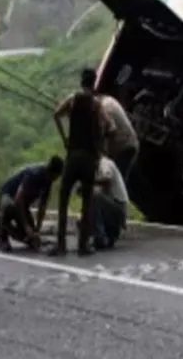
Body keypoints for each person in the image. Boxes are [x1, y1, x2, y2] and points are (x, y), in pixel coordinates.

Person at [50, 67, 113, 256]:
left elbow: (56, 115)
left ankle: (61, 245)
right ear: (94, 83)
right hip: (89, 159)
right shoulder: (96, 105)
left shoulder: (72, 100)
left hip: (73, 156)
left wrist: (65, 140)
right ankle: (83, 245)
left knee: (63, 199)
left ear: (81, 81)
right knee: (87, 203)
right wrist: (99, 141)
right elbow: (109, 126)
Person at [0, 156, 64, 252]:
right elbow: (19, 199)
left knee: (32, 239)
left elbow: (42, 207)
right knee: (11, 209)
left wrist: (36, 231)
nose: (56, 179)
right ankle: (1, 232)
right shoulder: (34, 174)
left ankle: (23, 232)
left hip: (22, 204)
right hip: (8, 196)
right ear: (51, 171)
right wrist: (26, 226)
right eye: (56, 176)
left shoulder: (48, 181)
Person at [99, 92, 139, 183]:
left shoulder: (103, 109)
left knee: (117, 180)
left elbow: (112, 130)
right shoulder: (109, 100)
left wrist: (106, 154)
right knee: (119, 178)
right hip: (129, 143)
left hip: (124, 146)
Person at [92, 155, 130, 250]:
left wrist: (90, 182)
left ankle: (100, 237)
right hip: (112, 206)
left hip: (118, 206)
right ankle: (107, 235)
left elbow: (107, 180)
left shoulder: (105, 163)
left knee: (95, 196)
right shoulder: (96, 168)